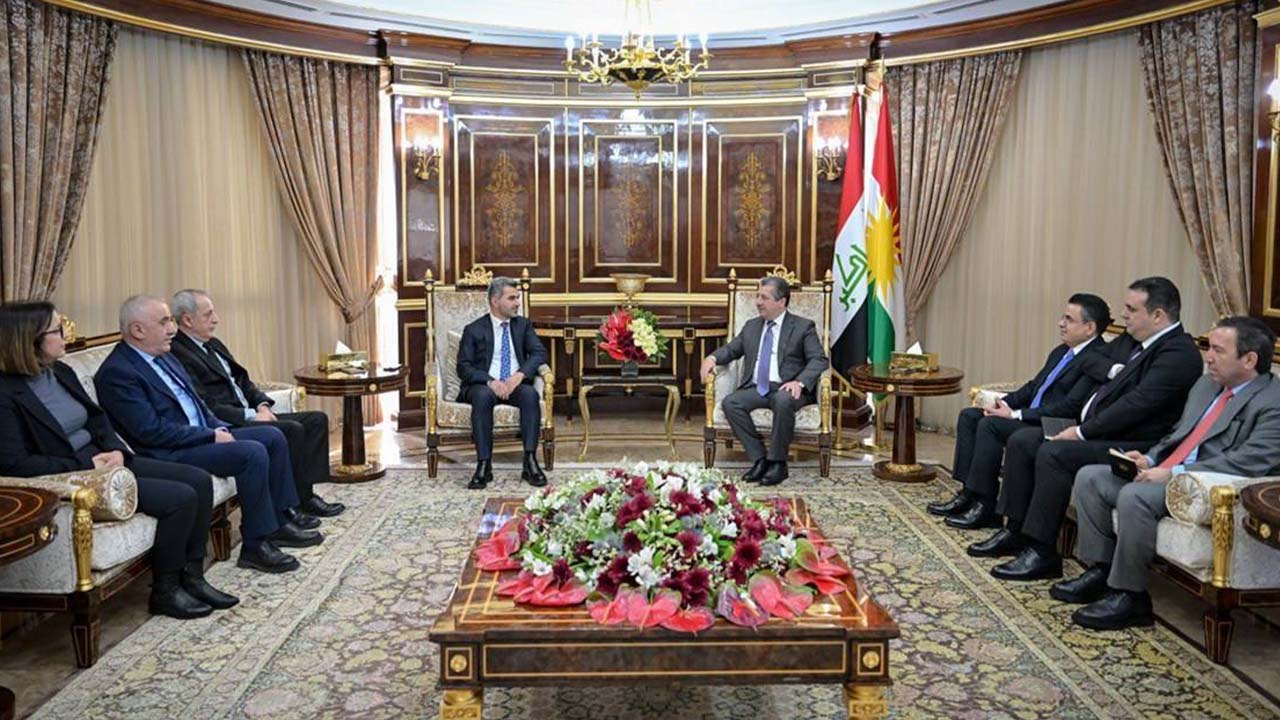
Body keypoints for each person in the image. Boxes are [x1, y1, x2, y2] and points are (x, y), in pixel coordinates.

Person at [0, 301, 237, 619]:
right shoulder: (6, 393)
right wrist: (85, 467)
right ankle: (166, 590)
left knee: (197, 478)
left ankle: (193, 577)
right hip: (76, 475)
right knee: (179, 498)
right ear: (29, 338)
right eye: (58, 330)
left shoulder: (60, 372)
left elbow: (98, 421)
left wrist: (117, 450)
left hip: (106, 460)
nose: (66, 335)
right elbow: (15, 464)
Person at [972, 277, 1203, 581]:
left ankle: (1043, 552)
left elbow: (1136, 405)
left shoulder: (1177, 354)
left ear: (1158, 315)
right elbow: (1089, 358)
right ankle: (1014, 530)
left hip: (1131, 441)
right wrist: (1115, 371)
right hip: (1096, 428)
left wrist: (1082, 432)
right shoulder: (1134, 339)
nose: (1123, 315)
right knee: (1023, 441)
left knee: (1054, 454)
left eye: (1131, 309)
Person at [1058, 316, 1280, 630]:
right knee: (1090, 478)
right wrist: (1149, 458)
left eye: (1218, 350)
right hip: (1166, 470)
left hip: (1202, 485)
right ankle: (1101, 572)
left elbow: (1248, 463)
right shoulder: (1207, 384)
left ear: (1249, 360)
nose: (1208, 357)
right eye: (1208, 348)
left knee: (1134, 496)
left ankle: (1131, 597)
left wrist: (1174, 472)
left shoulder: (1272, 402)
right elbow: (1179, 433)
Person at [94, 295, 320, 574]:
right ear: (137, 330)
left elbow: (199, 404)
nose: (172, 329)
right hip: (168, 451)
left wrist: (218, 427)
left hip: (200, 434)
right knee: (251, 453)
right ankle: (255, 545)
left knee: (272, 437)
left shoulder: (164, 357)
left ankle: (280, 522)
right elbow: (149, 431)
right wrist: (209, 436)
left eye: (171, 321)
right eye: (164, 322)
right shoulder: (117, 372)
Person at [931, 294, 1111, 528]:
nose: (1061, 323)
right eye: (1063, 317)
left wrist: (1015, 415)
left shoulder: (1097, 359)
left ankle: (986, 506)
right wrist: (1002, 403)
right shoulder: (1062, 351)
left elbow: (1070, 406)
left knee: (990, 425)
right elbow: (1034, 387)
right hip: (1031, 414)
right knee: (970, 416)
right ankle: (968, 494)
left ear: (1089, 328)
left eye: (1069, 319)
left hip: (1054, 424)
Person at [169, 289, 344, 519]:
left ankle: (306, 497)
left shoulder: (213, 344)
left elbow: (243, 381)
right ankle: (287, 509)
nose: (216, 319)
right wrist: (251, 415)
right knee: (292, 429)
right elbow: (206, 404)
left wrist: (262, 405)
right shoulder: (178, 353)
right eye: (208, 314)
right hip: (229, 421)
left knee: (316, 420)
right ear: (187, 320)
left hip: (251, 413)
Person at [699, 275, 827, 486]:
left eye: (764, 297)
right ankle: (760, 459)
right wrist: (712, 358)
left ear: (781, 302)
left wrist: (799, 382)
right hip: (757, 388)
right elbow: (732, 349)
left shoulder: (803, 327)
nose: (758, 302)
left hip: (788, 388)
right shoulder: (752, 326)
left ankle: (778, 463)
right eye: (757, 296)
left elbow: (819, 359)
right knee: (731, 403)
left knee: (782, 400)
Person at [456, 277, 548, 490]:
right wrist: (490, 381)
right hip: (484, 386)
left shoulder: (523, 325)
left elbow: (539, 352)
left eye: (518, 298)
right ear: (495, 301)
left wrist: (519, 376)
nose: (517, 303)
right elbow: (464, 367)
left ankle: (530, 461)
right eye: (512, 298)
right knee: (482, 396)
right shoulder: (474, 329)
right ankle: (484, 464)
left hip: (514, 384)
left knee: (530, 395)